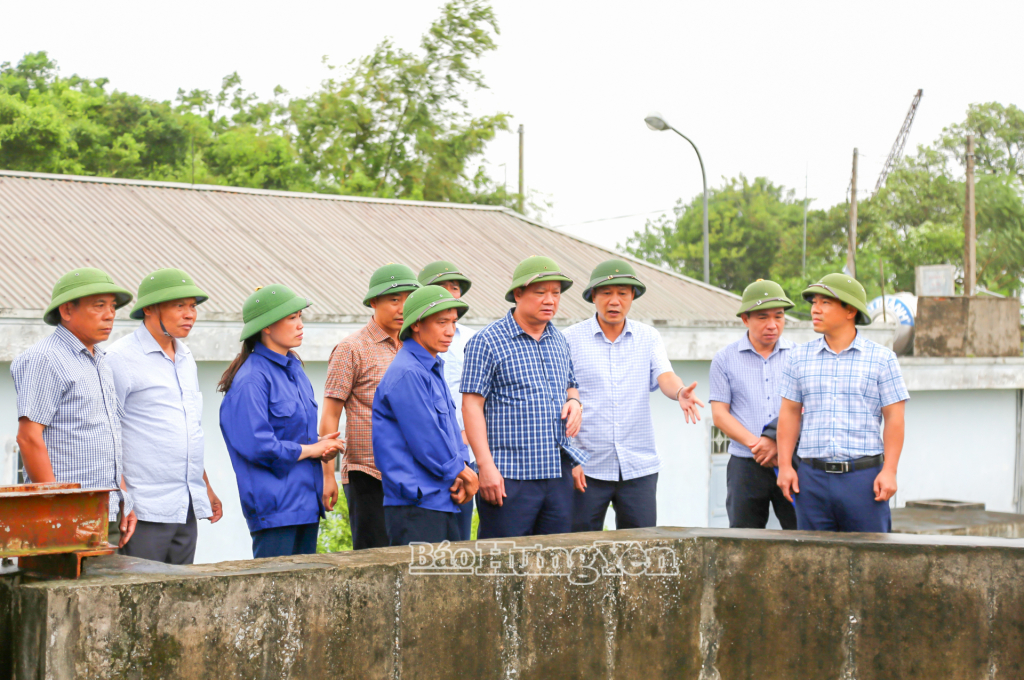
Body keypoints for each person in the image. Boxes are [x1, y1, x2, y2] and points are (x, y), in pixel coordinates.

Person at [563, 259, 704, 532]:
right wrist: (569, 459)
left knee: (639, 551)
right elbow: (560, 401)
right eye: (606, 293)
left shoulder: (648, 337)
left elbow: (665, 376)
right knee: (579, 550)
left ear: (632, 297)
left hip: (638, 466)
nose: (614, 301)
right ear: (593, 296)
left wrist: (679, 392)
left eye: (622, 293)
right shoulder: (569, 339)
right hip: (586, 466)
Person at [461, 255, 586, 539]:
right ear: (518, 293)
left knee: (553, 565)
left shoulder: (559, 340)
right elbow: (471, 406)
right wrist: (485, 467)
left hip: (557, 474)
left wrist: (575, 402)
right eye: (540, 292)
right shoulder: (487, 341)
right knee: (504, 569)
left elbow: (571, 386)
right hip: (509, 477)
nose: (550, 300)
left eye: (556, 293)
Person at [12, 267, 137, 548]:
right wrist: (60, 512)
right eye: (99, 305)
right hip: (70, 518)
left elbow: (108, 437)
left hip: (107, 510)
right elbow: (28, 437)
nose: (110, 314)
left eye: (113, 306)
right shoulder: (46, 359)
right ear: (67, 311)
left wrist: (124, 499)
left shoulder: (100, 360)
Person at [776, 273, 909, 533]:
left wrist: (890, 470)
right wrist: (784, 466)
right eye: (814, 302)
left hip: (864, 480)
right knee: (814, 563)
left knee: (871, 563)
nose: (815, 309)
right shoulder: (798, 358)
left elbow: (895, 418)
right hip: (811, 480)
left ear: (850, 310)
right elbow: (789, 414)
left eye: (825, 303)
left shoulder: (882, 359)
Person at [106, 269, 223, 564]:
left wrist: (205, 487)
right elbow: (107, 433)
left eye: (193, 306)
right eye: (178, 306)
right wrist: (121, 498)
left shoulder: (186, 357)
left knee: (181, 599)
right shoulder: (119, 358)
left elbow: (188, 429)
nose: (190, 314)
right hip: (142, 509)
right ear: (149, 308)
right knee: (140, 600)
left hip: (185, 505)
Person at [218, 285, 343, 558]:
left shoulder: (295, 370)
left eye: (300, 317)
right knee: (273, 596)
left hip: (306, 502)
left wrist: (321, 446)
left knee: (303, 594)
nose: (300, 325)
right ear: (266, 327)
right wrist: (311, 450)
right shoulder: (252, 379)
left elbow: (295, 435)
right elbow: (258, 445)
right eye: (291, 318)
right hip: (276, 508)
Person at [321, 264, 420, 549]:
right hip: (368, 473)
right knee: (374, 560)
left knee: (413, 561)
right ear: (373, 302)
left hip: (414, 472)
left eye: (408, 299)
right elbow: (330, 415)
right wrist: (328, 475)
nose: (402, 308)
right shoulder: (351, 348)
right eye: (393, 299)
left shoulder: (417, 347)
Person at [372, 286, 480, 546]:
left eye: (453, 322)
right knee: (422, 585)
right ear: (417, 325)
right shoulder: (408, 371)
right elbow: (427, 439)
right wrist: (465, 473)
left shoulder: (431, 365)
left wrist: (462, 467)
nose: (450, 331)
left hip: (442, 497)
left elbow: (452, 430)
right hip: (416, 503)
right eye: (442, 322)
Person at [709, 279, 799, 530]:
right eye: (762, 317)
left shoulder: (799, 357)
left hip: (791, 462)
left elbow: (806, 407)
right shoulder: (724, 360)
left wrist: (777, 444)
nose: (772, 325)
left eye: (779, 316)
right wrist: (758, 445)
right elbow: (719, 415)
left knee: (801, 535)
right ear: (745, 319)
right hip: (745, 465)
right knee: (743, 540)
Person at [417, 260, 477, 540]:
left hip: (465, 450)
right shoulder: (412, 344)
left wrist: (468, 435)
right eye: (441, 288)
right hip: (428, 455)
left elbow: (482, 395)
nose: (450, 294)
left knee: (460, 539)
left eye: (455, 288)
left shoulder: (475, 340)